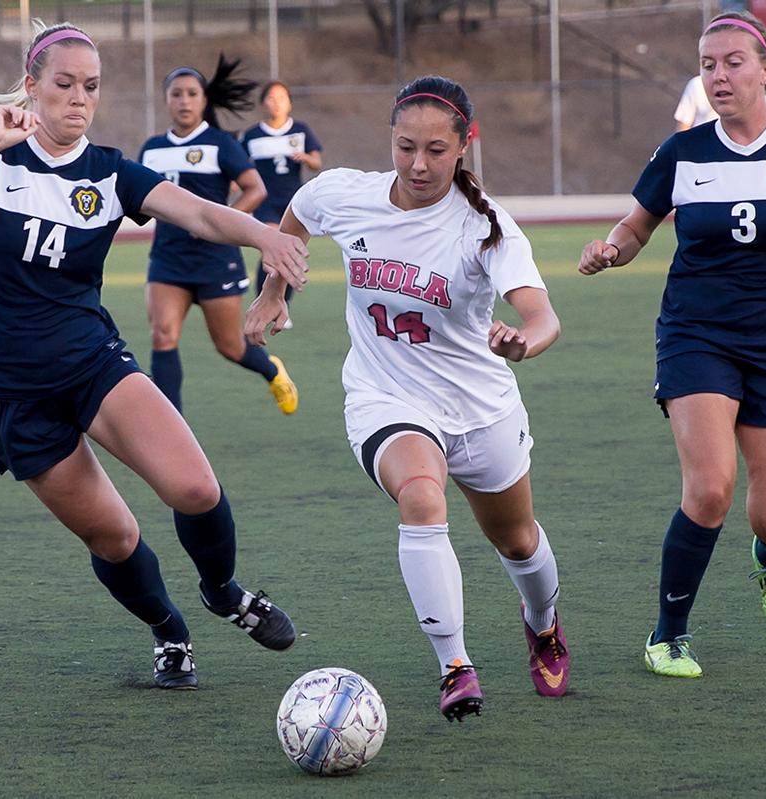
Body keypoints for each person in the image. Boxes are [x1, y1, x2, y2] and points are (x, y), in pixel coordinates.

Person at [0, 22, 311, 689]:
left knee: (196, 487)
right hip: (11, 392)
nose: (78, 99)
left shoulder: (108, 172)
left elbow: (196, 213)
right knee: (114, 537)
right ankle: (170, 631)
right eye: (63, 84)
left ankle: (223, 592)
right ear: (32, 85)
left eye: (91, 87)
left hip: (92, 363)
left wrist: (262, 233)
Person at [246, 75, 572, 720]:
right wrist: (273, 293)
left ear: (463, 148)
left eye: (435, 150)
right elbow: (293, 224)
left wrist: (522, 343)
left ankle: (543, 623)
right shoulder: (344, 193)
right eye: (404, 148)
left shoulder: (486, 227)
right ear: (389, 142)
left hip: (481, 410)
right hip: (384, 396)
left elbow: (544, 318)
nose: (418, 164)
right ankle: (455, 665)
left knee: (518, 542)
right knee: (422, 496)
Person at [578, 11, 766, 679]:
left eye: (733, 62)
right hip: (697, 334)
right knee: (710, 487)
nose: (718, 76)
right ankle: (667, 635)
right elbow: (636, 225)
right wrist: (611, 249)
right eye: (708, 64)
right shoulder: (683, 153)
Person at [139, 57, 298, 415]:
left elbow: (254, 189)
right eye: (176, 94)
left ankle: (272, 370)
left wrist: (219, 228)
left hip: (215, 260)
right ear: (166, 100)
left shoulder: (221, 144)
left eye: (192, 94)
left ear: (203, 100)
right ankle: (171, 427)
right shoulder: (151, 149)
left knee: (230, 345)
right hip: (167, 260)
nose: (184, 101)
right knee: (162, 336)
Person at [239, 80, 323, 321]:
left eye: (282, 98)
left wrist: (306, 158)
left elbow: (317, 163)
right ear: (263, 103)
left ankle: (282, 306)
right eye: (271, 98)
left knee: (290, 254)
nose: (276, 103)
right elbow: (240, 170)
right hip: (265, 202)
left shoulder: (301, 130)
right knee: (272, 251)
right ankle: (262, 303)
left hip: (293, 203)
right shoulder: (252, 136)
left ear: (290, 103)